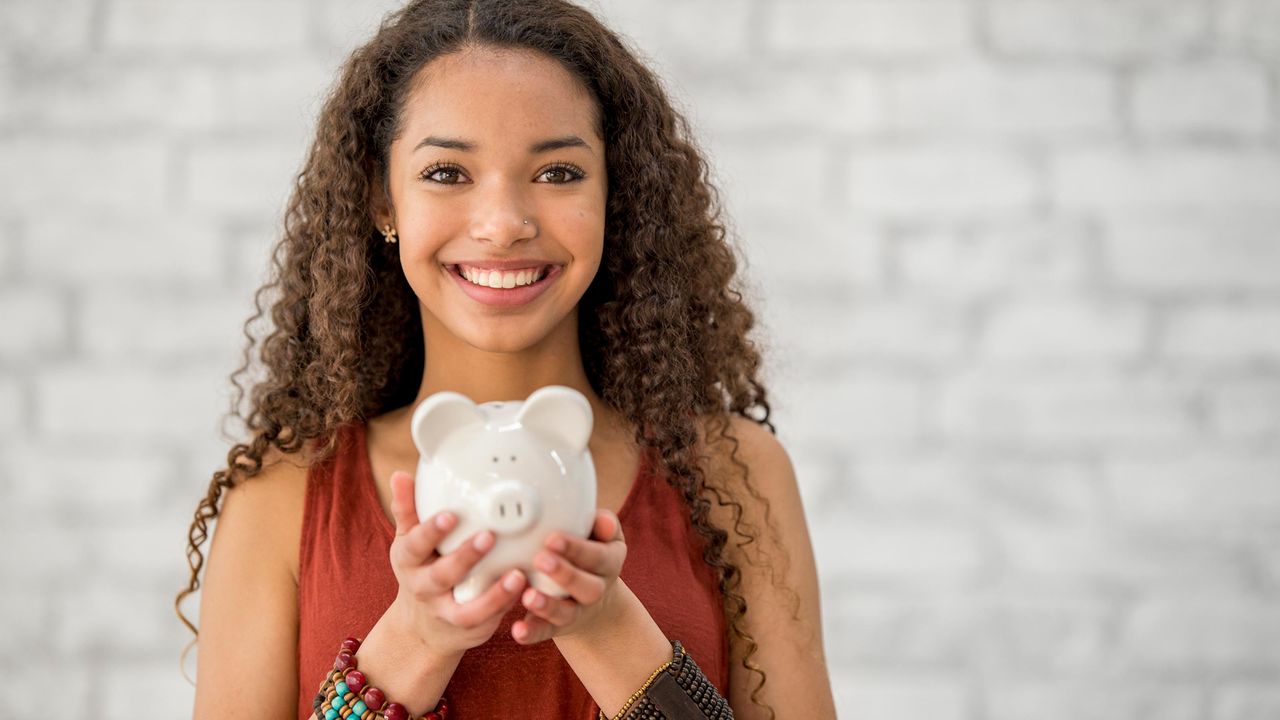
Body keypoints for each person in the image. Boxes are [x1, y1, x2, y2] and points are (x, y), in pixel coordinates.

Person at [174, 1, 837, 718]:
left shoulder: (737, 476)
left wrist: (607, 627)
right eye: (447, 173)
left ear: (617, 195)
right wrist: (416, 640)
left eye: (556, 173)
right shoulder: (281, 499)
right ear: (381, 199)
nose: (503, 224)